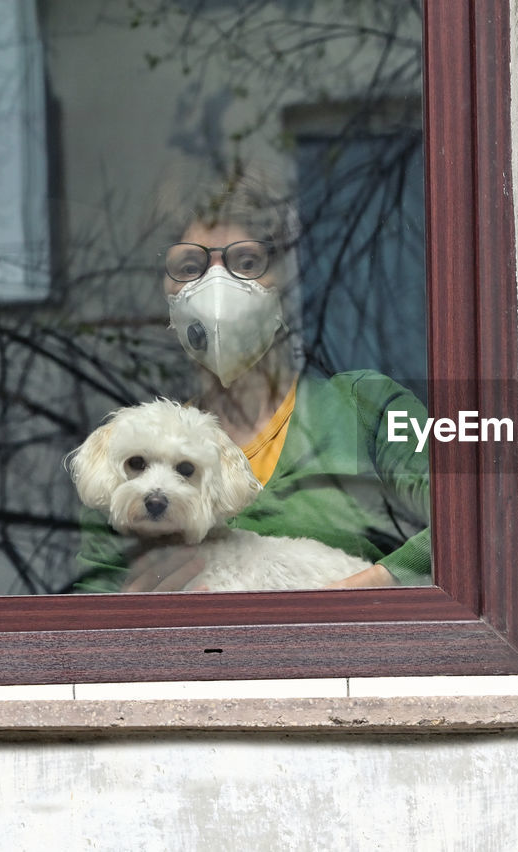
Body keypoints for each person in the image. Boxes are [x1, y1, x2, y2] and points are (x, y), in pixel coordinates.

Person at [75, 163, 431, 592]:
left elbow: (472, 519)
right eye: (190, 266)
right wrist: (130, 617)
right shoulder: (125, 459)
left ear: (284, 276)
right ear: (163, 289)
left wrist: (372, 585)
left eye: (247, 261)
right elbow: (90, 616)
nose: (218, 286)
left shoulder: (369, 408)